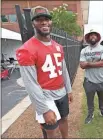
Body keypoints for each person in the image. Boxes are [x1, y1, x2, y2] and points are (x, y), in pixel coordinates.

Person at [16, 6, 73, 139]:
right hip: (45, 96)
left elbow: (63, 70)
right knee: (51, 129)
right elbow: (30, 83)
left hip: (61, 92)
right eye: (39, 20)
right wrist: (43, 109)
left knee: (64, 119)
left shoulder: (58, 46)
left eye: (46, 19)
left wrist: (68, 90)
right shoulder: (27, 49)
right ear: (33, 23)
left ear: (51, 22)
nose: (43, 22)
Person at [80, 29, 103, 124]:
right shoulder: (84, 50)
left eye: (94, 35)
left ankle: (102, 111)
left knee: (102, 98)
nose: (92, 37)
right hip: (89, 81)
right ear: (88, 38)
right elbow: (82, 65)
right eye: (90, 35)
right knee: (90, 99)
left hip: (102, 79)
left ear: (97, 37)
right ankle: (90, 114)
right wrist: (99, 63)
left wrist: (88, 63)